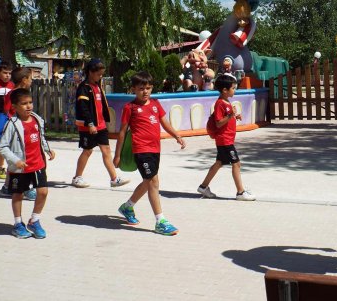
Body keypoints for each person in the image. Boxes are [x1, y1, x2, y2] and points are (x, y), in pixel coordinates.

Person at [114, 71, 186, 235]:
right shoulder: (130, 108)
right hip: (140, 149)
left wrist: (177, 136)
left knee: (149, 182)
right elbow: (122, 132)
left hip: (155, 149)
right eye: (141, 88)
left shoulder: (155, 104)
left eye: (148, 88)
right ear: (133, 89)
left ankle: (128, 206)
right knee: (153, 181)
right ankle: (160, 221)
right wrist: (117, 155)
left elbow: (164, 122)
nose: (145, 91)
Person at [0, 88, 55, 238]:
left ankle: (34, 220)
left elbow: (40, 137)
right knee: (18, 195)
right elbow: (2, 147)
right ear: (15, 107)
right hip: (20, 168)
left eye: (30, 102)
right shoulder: (12, 124)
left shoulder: (37, 119)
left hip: (38, 164)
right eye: (24, 104)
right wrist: (15, 161)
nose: (29, 106)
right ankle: (18, 224)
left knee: (43, 192)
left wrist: (48, 149)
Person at [196, 73, 255, 201]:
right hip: (225, 140)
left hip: (226, 139)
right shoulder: (220, 104)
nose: (235, 90)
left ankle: (203, 187)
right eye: (233, 88)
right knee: (236, 163)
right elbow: (218, 122)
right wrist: (230, 116)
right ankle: (240, 192)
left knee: (219, 163)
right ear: (224, 90)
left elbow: (225, 118)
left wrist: (234, 116)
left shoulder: (226, 102)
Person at [72, 58, 129, 188]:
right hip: (89, 126)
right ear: (91, 72)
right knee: (87, 151)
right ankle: (77, 177)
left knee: (106, 150)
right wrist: (90, 124)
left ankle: (114, 179)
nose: (101, 76)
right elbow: (83, 108)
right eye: (99, 73)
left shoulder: (97, 86)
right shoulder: (84, 88)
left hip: (101, 125)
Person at [0, 67, 37, 200]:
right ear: (24, 80)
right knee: (22, 160)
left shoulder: (15, 92)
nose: (31, 81)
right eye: (30, 78)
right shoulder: (16, 94)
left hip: (19, 129)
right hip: (17, 131)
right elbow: (8, 110)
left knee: (15, 161)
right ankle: (24, 189)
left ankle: (7, 186)